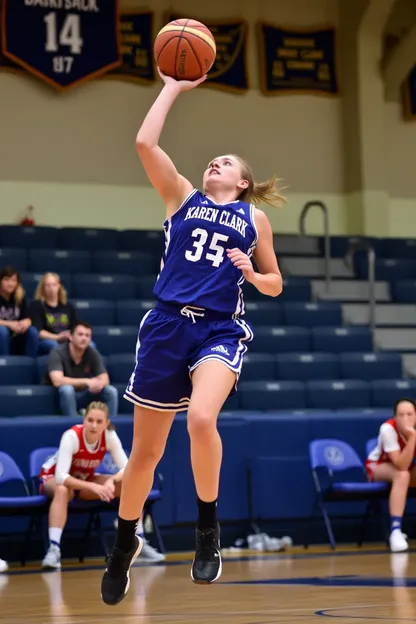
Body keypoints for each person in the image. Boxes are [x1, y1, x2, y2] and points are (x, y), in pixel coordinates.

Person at [101, 69, 284, 606]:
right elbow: (143, 142)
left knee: (202, 419)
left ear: (243, 182)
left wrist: (251, 274)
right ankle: (123, 542)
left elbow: (275, 283)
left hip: (219, 328)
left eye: (225, 162)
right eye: (212, 159)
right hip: (165, 327)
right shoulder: (180, 196)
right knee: (144, 456)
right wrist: (174, 87)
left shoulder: (253, 220)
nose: (214, 163)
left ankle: (208, 530)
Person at [39, 401, 164, 569]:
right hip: (53, 478)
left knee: (132, 485)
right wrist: (95, 487)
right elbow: (61, 477)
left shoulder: (109, 436)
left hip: (84, 480)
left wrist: (111, 481)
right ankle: (54, 549)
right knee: (62, 490)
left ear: (106, 423)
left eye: (99, 422)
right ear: (84, 420)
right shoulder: (71, 436)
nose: (93, 425)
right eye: (90, 420)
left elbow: (128, 470)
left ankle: (137, 543)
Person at [366, 398, 416, 552]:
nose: (405, 419)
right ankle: (395, 530)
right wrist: (413, 437)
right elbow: (401, 464)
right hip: (378, 466)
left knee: (404, 474)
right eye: (401, 415)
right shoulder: (388, 429)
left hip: (407, 467)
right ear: (395, 417)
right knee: (402, 475)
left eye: (410, 414)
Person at [47, 321, 118, 418]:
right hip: (62, 396)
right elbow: (57, 381)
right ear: (71, 337)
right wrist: (87, 382)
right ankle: (74, 426)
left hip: (86, 394)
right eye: (80, 334)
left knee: (111, 391)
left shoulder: (92, 352)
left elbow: (105, 380)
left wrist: (97, 385)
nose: (84, 338)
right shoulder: (57, 352)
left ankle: (109, 428)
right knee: (67, 390)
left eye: (87, 335)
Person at [29, 272, 78, 355]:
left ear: (59, 286)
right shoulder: (36, 306)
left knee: (90, 345)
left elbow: (75, 328)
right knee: (56, 347)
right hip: (47, 341)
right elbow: (39, 332)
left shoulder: (68, 306)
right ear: (43, 288)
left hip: (67, 340)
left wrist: (69, 336)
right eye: (48, 285)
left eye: (54, 285)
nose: (51, 288)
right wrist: (58, 337)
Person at [0, 265, 38, 357]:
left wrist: (26, 322)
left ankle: (30, 364)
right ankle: (4, 364)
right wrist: (9, 324)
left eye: (13, 280)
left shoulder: (20, 295)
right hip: (3, 332)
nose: (10, 284)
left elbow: (27, 317)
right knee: (2, 331)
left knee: (32, 331)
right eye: (6, 279)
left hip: (17, 334)